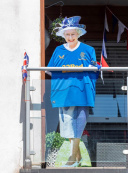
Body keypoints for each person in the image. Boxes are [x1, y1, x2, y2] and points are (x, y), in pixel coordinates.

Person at [47, 16, 99, 167]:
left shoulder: (88, 50)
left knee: (78, 123)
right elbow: (50, 70)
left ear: (78, 34)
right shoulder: (58, 50)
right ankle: (79, 158)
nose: (70, 37)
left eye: (73, 34)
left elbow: (94, 69)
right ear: (64, 35)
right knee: (67, 124)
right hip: (63, 92)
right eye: (67, 35)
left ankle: (72, 158)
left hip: (82, 92)